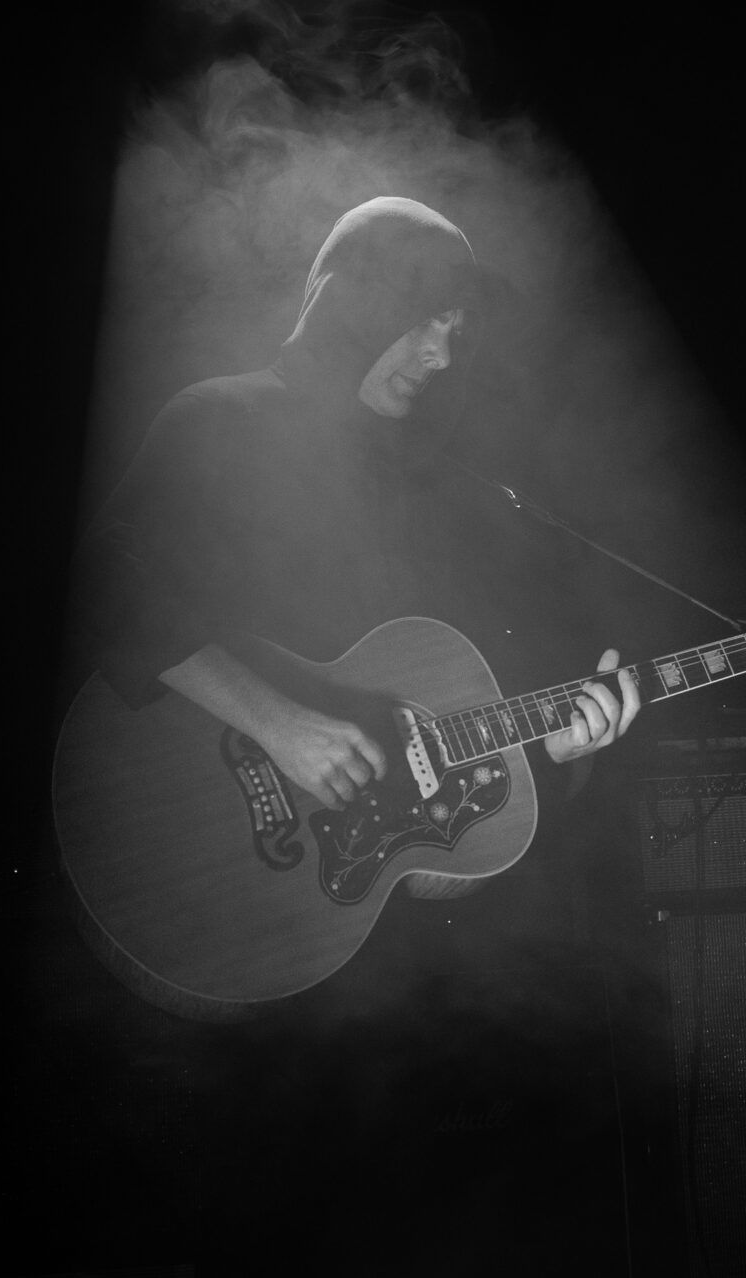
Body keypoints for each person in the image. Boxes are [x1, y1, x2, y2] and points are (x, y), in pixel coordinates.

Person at [72, 196, 640, 833]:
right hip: (183, 836)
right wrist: (276, 722)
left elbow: (431, 745)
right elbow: (103, 582)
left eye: (455, 328)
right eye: (427, 319)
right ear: (359, 306)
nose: (442, 355)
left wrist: (549, 752)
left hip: (350, 902)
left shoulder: (436, 494)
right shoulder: (221, 418)